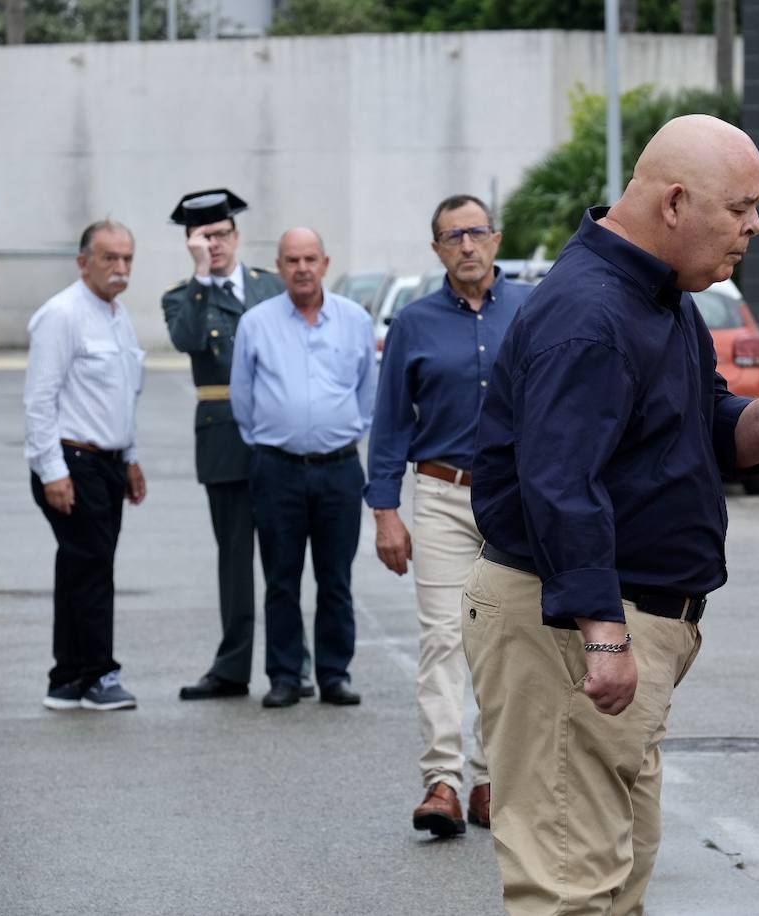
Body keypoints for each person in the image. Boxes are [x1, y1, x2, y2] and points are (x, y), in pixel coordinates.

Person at [464, 114, 759, 914]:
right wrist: (603, 632)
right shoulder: (592, 314)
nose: (756, 225)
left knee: (614, 880)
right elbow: (560, 484)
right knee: (569, 888)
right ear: (675, 202)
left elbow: (703, 430)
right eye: (742, 207)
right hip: (572, 631)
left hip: (613, 626)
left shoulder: (659, 295)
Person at [366, 194, 531, 836]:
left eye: (476, 232)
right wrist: (385, 509)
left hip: (515, 498)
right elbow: (389, 424)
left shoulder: (530, 308)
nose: (466, 245)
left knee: (508, 640)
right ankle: (442, 782)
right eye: (452, 236)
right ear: (436, 250)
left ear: (495, 239)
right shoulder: (413, 323)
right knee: (442, 639)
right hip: (439, 495)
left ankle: (491, 779)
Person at [162, 189, 314, 702]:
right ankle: (231, 668)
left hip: (278, 434)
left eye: (221, 234)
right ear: (191, 244)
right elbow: (186, 340)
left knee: (285, 559)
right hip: (225, 437)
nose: (215, 244)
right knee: (234, 560)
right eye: (203, 238)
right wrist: (201, 278)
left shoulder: (272, 285)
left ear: (236, 234)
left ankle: (292, 666)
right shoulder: (183, 295)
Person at [231, 228, 376, 709]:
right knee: (281, 578)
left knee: (336, 579)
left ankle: (335, 674)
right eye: (292, 260)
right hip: (277, 470)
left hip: (338, 471)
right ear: (279, 267)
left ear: (325, 263)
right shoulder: (256, 323)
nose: (301, 268)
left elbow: (366, 392)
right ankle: (285, 675)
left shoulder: (355, 320)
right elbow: (243, 400)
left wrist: (342, 430)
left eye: (310, 258)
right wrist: (277, 441)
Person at [25, 219, 147, 711]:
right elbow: (39, 400)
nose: (120, 269)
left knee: (82, 569)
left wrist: (132, 459)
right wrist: (52, 470)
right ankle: (96, 674)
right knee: (92, 568)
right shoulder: (62, 315)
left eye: (127, 259)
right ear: (83, 263)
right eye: (109, 259)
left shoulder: (118, 316)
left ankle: (68, 678)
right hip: (73, 462)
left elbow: (122, 398)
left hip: (108, 463)